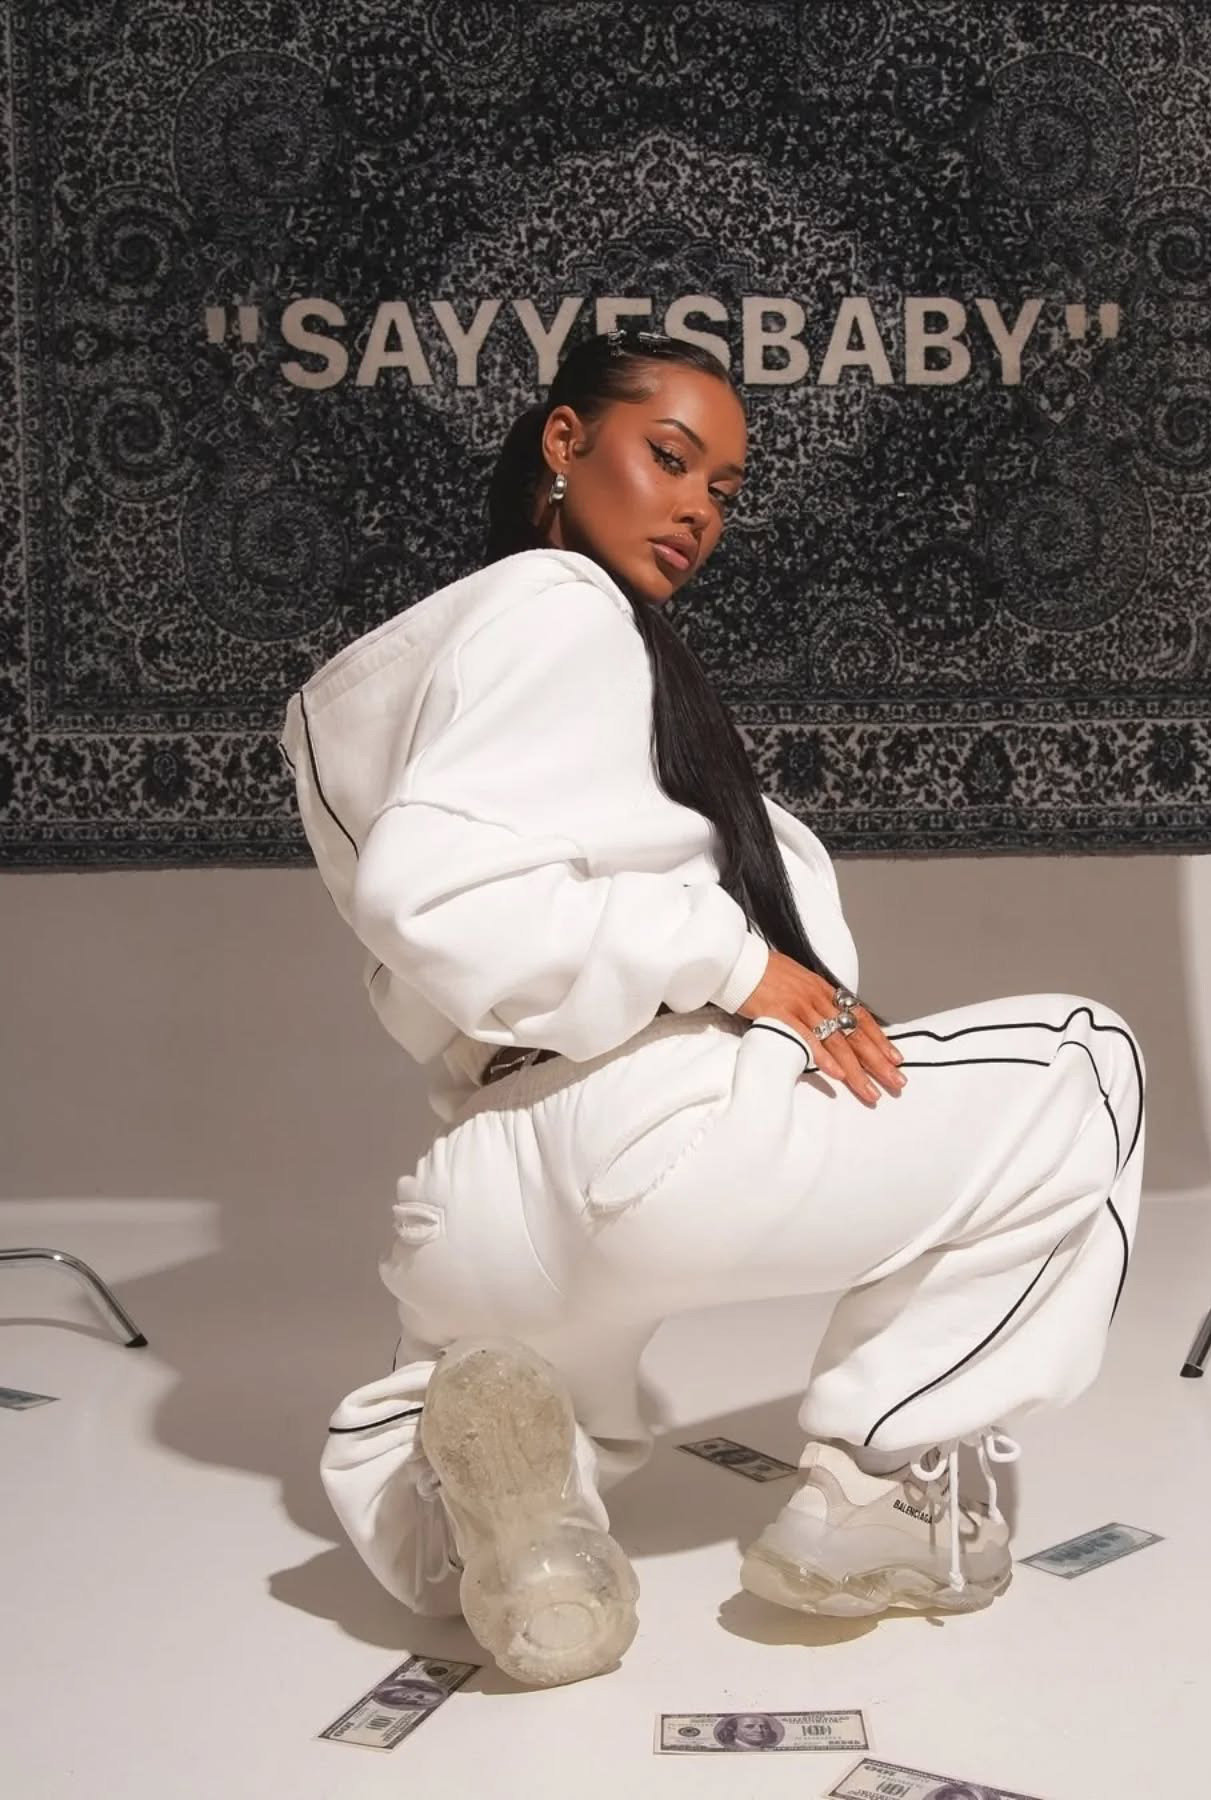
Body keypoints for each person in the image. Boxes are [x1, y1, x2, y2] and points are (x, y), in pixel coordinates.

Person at [282, 326, 1146, 1692]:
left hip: (475, 1190)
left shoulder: (487, 657)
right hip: (651, 1124)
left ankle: (496, 1522)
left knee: (503, 1420)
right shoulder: (561, 605)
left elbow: (436, 902)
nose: (697, 510)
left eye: (724, 490)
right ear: (563, 442)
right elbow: (425, 891)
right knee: (1086, 1066)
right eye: (670, 458)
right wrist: (737, 964)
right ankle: (873, 1491)